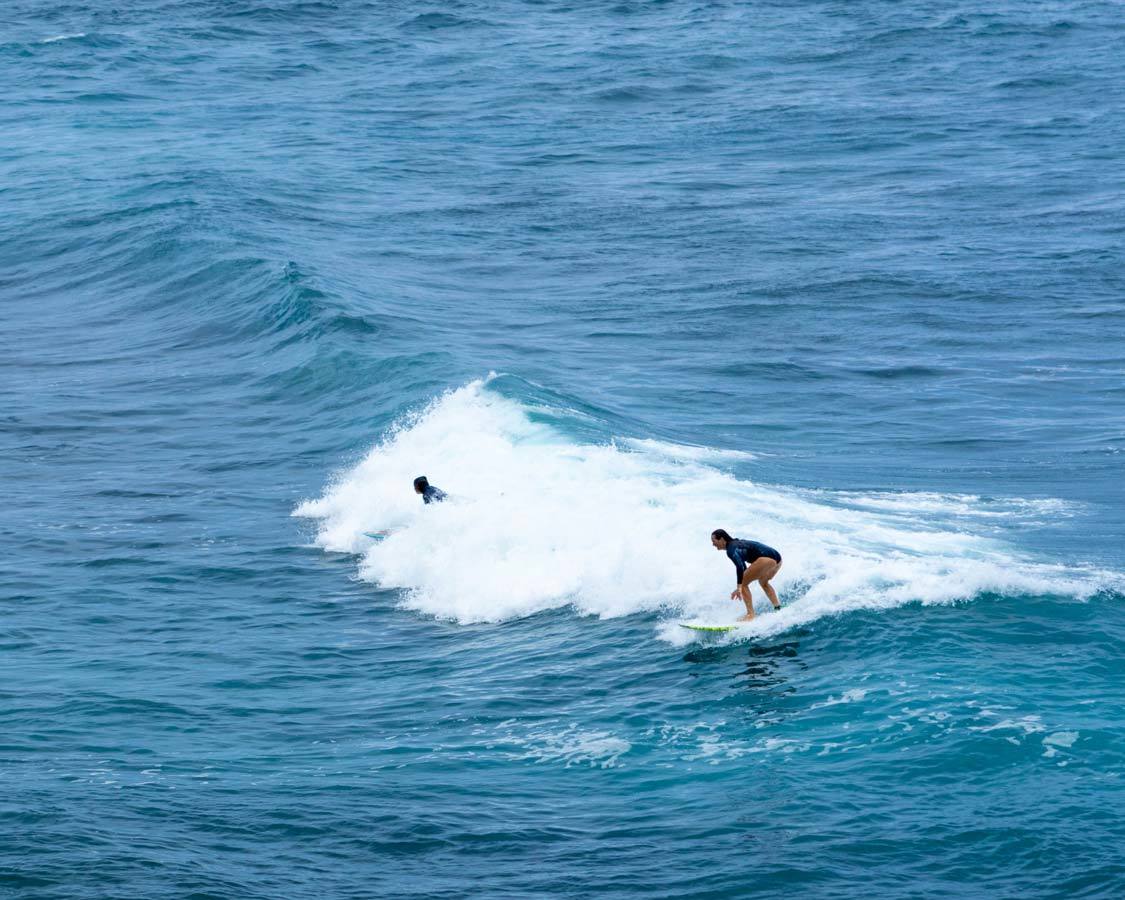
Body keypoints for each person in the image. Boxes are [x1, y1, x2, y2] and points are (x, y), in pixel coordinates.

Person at [711, 528, 782, 621]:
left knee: (743, 584)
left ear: (722, 539)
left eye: (714, 541)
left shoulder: (731, 550)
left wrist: (739, 587)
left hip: (766, 559)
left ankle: (750, 615)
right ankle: (777, 607)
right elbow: (743, 568)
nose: (713, 544)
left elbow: (740, 567)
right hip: (778, 559)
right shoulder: (737, 543)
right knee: (763, 582)